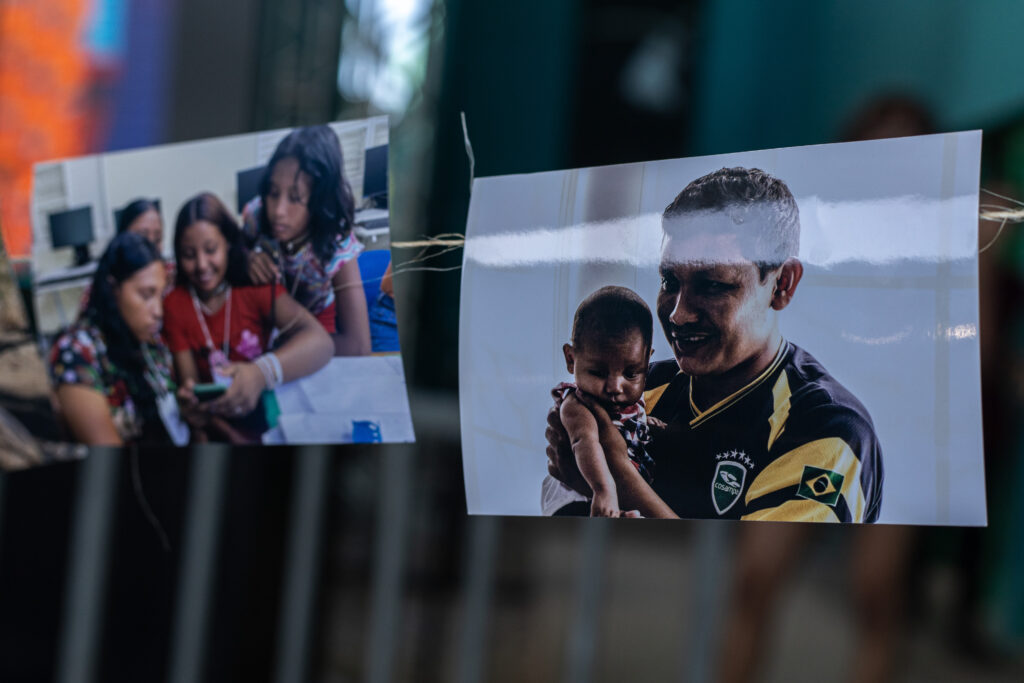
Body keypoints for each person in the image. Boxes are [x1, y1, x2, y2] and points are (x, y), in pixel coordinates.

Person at [546, 167, 884, 522]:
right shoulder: (640, 388)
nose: (678, 314)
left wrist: (617, 479)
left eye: (712, 285)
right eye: (669, 280)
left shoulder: (826, 430)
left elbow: (754, 577)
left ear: (782, 284)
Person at [162, 192, 332, 443]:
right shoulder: (176, 304)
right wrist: (195, 410)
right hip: (219, 426)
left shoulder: (253, 286)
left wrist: (260, 373)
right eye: (189, 254)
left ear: (228, 244)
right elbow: (193, 390)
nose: (201, 265)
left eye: (211, 250)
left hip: (268, 416)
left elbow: (321, 343)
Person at [242, 125, 372, 356]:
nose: (278, 211)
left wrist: (291, 349)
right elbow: (236, 250)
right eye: (273, 193)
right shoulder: (257, 213)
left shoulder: (337, 242)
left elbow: (359, 345)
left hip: (319, 323)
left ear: (319, 202)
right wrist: (247, 258)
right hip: (271, 315)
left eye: (295, 198)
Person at [49, 231, 186, 446]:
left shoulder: (150, 343)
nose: (158, 310)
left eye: (160, 295)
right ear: (113, 289)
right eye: (146, 295)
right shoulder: (78, 353)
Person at [541, 285, 656, 518]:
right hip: (576, 496)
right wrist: (603, 490)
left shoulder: (633, 403)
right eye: (598, 372)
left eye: (631, 374)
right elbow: (585, 442)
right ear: (571, 359)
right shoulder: (577, 404)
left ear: (647, 361)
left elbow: (625, 427)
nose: (615, 387)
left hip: (615, 496)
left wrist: (646, 422)